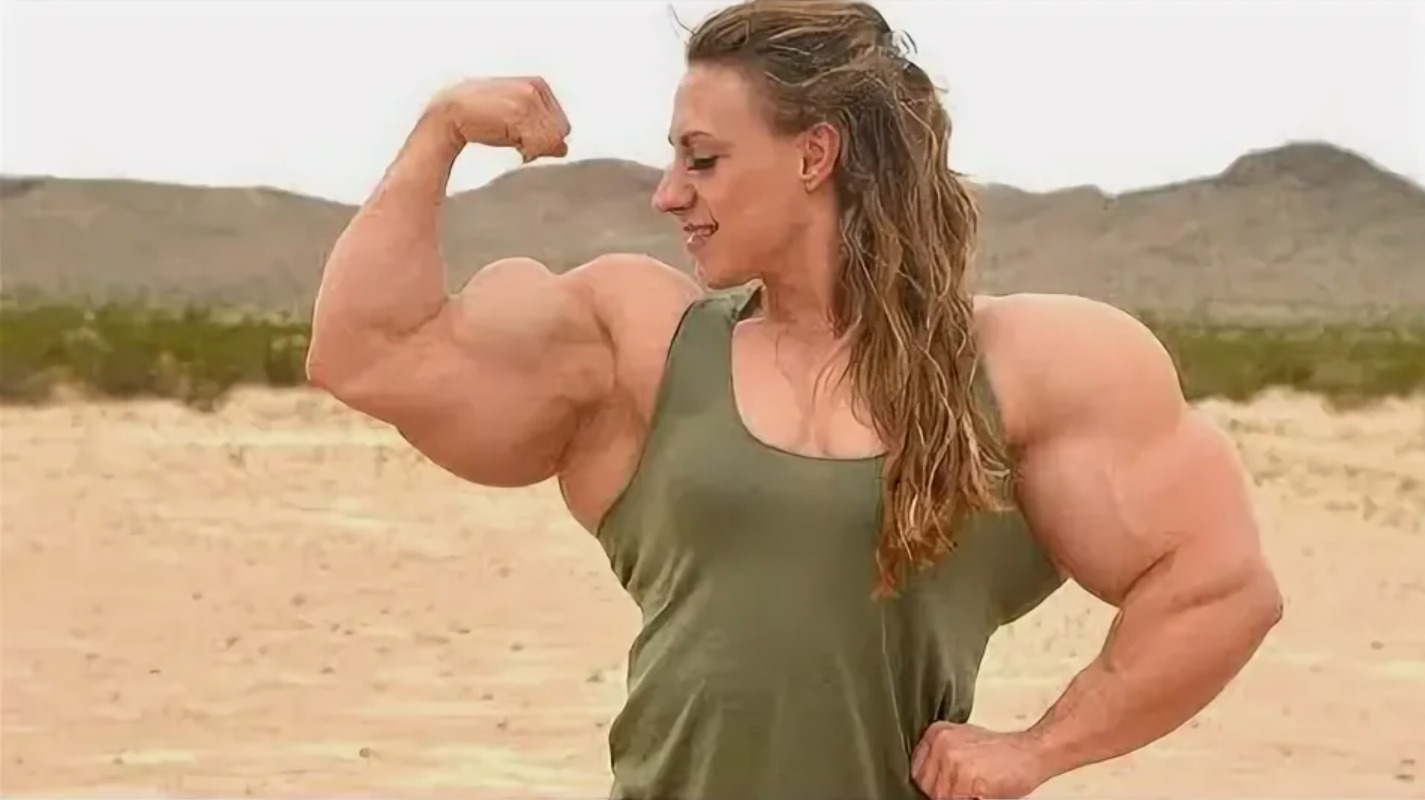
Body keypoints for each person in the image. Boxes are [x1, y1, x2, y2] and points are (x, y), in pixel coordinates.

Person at [305, 1, 1283, 797]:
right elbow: (370, 355)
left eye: (702, 158)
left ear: (815, 156)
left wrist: (1036, 749)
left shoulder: (1036, 365)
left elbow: (1219, 588)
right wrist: (439, 131)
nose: (668, 193)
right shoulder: (642, 345)